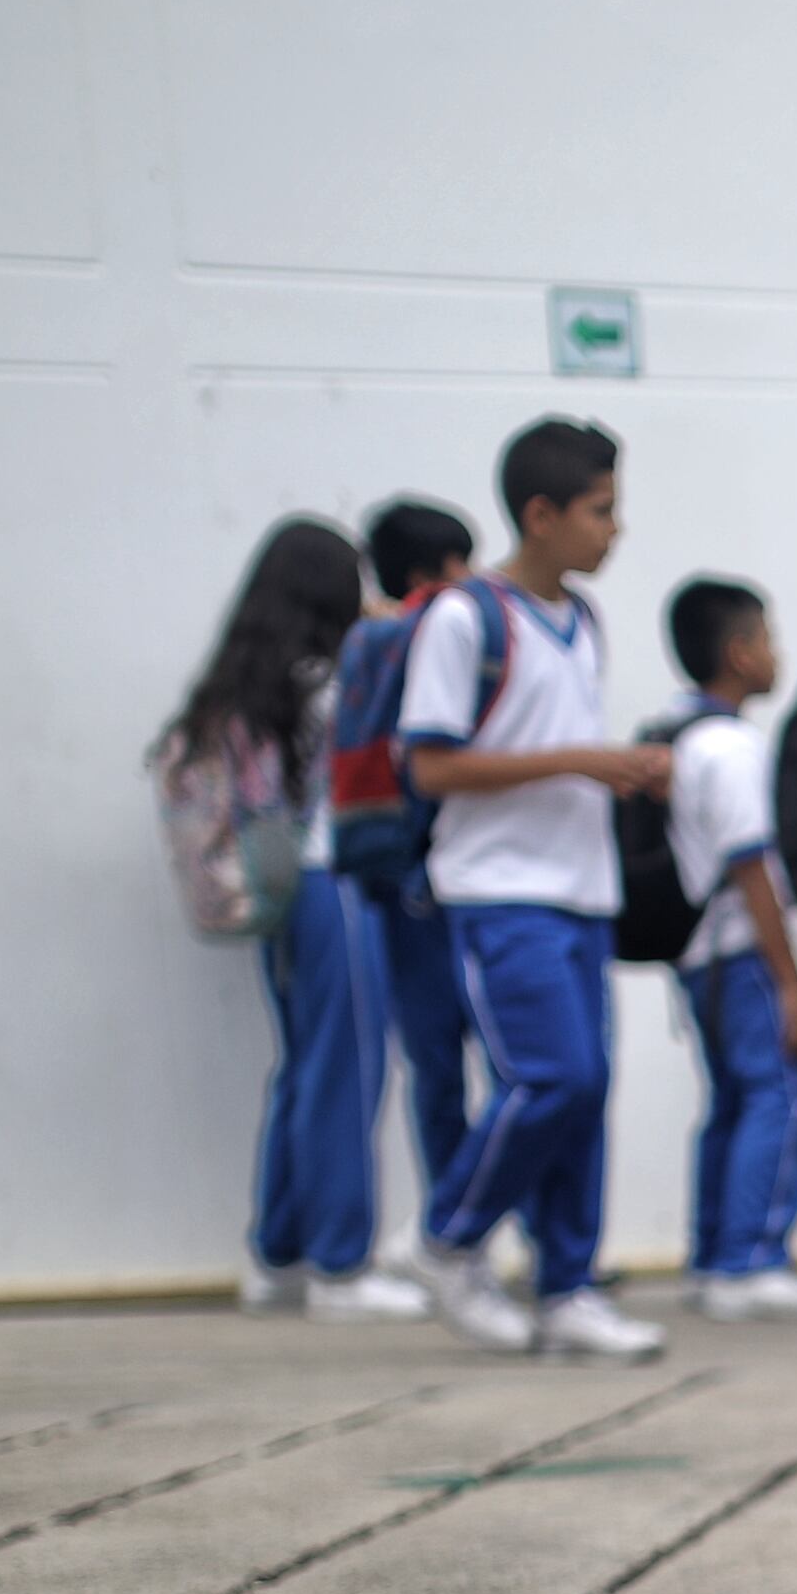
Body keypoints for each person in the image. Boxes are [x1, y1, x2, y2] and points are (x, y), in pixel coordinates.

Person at [394, 419, 671, 1361]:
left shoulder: (584, 620)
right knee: (555, 1076)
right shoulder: (466, 617)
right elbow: (430, 766)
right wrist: (583, 761)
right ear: (541, 514)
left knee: (588, 1094)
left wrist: (617, 772)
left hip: (581, 891)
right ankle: (447, 1235)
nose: (615, 531)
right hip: (498, 887)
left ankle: (569, 1286)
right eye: (601, 511)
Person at [169, 516, 422, 1323]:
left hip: (280, 896)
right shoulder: (332, 680)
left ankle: (277, 1256)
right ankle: (342, 1266)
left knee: (307, 1067)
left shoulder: (255, 683)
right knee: (348, 1069)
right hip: (333, 884)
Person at [654, 577, 797, 1319]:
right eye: (767, 638)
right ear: (738, 653)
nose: (776, 653)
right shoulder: (730, 747)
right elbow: (752, 865)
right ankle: (752, 1258)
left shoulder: (675, 734)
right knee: (780, 1093)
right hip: (740, 951)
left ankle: (712, 1255)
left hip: (702, 956)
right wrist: (792, 981)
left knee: (732, 1100)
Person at [329, 497, 485, 1236]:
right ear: (437, 570)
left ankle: (447, 1221)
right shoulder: (439, 627)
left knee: (434, 1062)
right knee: (527, 1061)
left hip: (378, 865)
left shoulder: (363, 639)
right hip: (441, 864)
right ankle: (485, 1227)